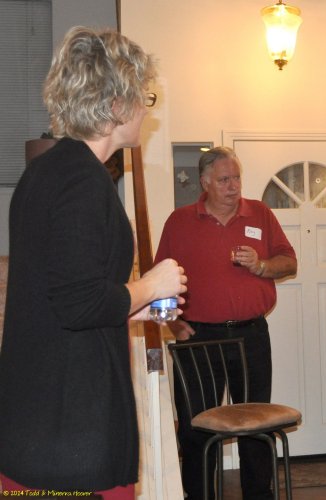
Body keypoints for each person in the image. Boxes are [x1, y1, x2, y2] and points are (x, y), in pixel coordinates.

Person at [0, 27, 187, 499]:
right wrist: (153, 284)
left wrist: (131, 306)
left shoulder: (44, 173)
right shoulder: (82, 181)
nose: (146, 109)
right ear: (116, 104)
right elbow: (79, 303)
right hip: (71, 434)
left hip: (39, 422)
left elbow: (57, 295)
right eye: (143, 97)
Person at [154, 146, 297, 500]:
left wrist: (262, 266)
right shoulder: (180, 221)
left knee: (255, 425)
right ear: (204, 183)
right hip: (199, 339)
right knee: (196, 428)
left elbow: (289, 262)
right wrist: (174, 325)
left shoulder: (260, 213)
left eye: (236, 178)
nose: (233, 186)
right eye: (223, 180)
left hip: (251, 335)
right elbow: (159, 279)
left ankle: (258, 495)